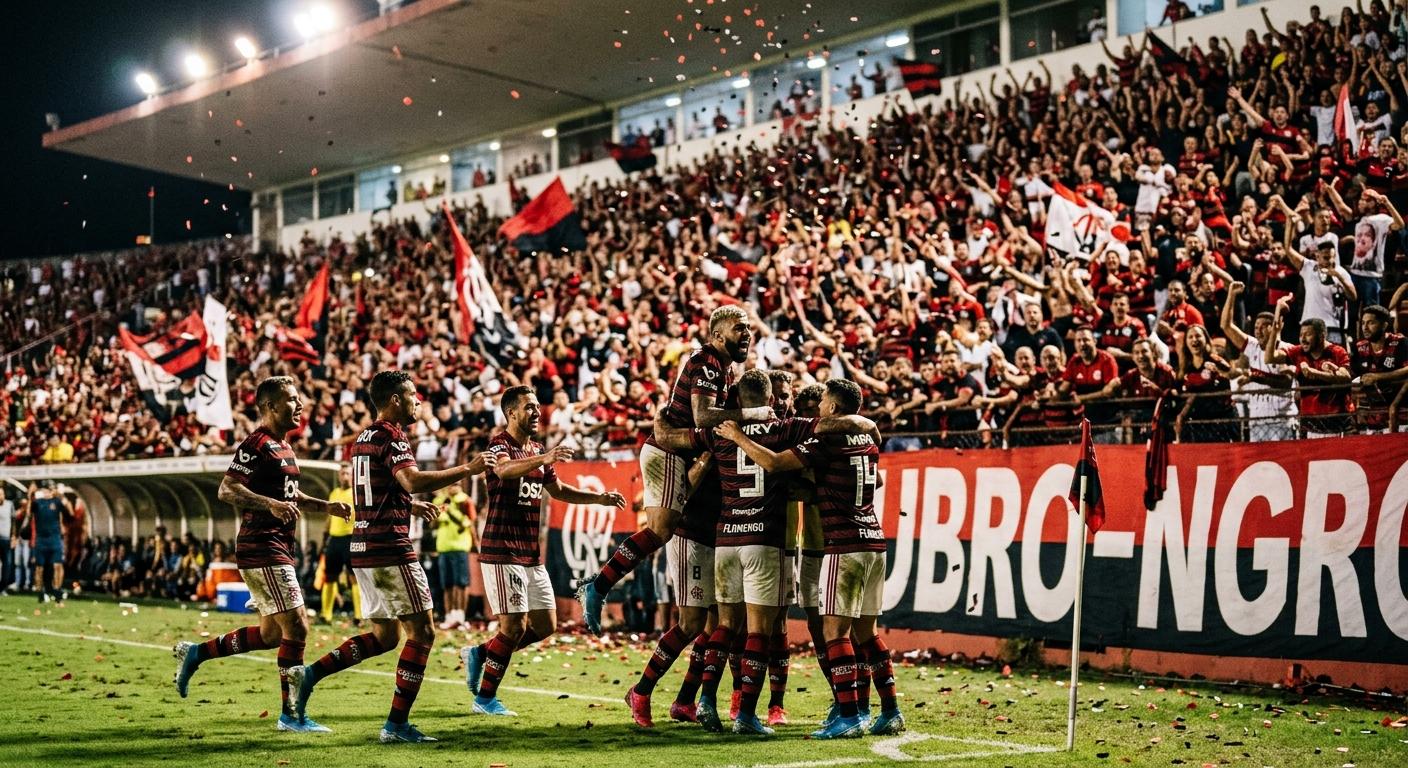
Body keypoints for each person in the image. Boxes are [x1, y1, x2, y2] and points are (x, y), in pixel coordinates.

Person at [290, 370, 495, 744]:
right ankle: (396, 725)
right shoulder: (392, 435)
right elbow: (410, 479)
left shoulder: (362, 438)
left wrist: (409, 506)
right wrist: (468, 468)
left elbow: (380, 488)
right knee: (423, 633)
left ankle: (310, 674)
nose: (418, 401)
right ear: (395, 400)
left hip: (363, 546)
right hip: (390, 548)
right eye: (413, 395)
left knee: (386, 637)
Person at [717, 379, 903, 739]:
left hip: (842, 545)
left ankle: (849, 714)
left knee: (834, 632)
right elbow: (874, 478)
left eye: (823, 404)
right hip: (874, 541)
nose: (818, 410)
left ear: (833, 408)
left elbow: (772, 462)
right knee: (868, 633)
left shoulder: (825, 439)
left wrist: (737, 436)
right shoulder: (867, 440)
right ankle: (889, 710)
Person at [171, 376, 353, 733]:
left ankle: (195, 653)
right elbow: (227, 490)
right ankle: (291, 714)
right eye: (291, 399)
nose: (300, 405)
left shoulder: (285, 447)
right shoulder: (257, 443)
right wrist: (268, 504)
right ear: (269, 406)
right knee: (298, 626)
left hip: (278, 545)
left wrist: (325, 505)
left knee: (272, 635)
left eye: (300, 398)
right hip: (262, 545)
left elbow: (289, 495)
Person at [579, 306, 772, 635]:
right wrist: (753, 415)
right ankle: (598, 586)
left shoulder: (720, 368)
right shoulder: (709, 363)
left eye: (749, 327)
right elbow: (702, 416)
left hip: (677, 452)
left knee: (663, 530)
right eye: (739, 327)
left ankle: (598, 586)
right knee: (660, 529)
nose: (747, 333)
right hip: (667, 452)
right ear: (716, 335)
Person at [461, 385, 626, 717]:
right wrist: (545, 458)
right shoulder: (499, 444)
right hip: (501, 549)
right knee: (513, 627)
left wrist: (600, 498)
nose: (537, 413)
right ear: (511, 413)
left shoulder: (536, 448)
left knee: (546, 625)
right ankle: (485, 699)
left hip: (529, 552)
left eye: (537, 407)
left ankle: (480, 653)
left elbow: (559, 490)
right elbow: (504, 470)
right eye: (529, 407)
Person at [1220, 282, 1296, 442]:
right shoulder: (1252, 346)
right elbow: (1226, 326)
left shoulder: (1288, 349)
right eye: (1256, 327)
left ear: (1276, 327)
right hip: (1257, 421)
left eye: (1264, 326)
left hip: (1281, 420)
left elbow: (1286, 383)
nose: (1258, 330)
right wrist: (1231, 295)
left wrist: (1256, 378)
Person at [1267, 314, 1353, 438]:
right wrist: (1274, 332)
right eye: (1301, 335)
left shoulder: (1337, 352)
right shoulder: (1298, 352)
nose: (1303, 339)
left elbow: (1346, 378)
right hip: (1310, 425)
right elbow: (1270, 358)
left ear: (1322, 336)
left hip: (1337, 424)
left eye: (1308, 334)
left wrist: (1314, 373)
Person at [1352, 305, 1408, 433]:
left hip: (1403, 417)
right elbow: (1354, 377)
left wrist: (1378, 377)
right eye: (1363, 323)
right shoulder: (1359, 348)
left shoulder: (1400, 342)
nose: (1365, 327)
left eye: (1371, 323)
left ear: (1384, 325)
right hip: (1374, 420)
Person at [319, 465, 359, 625]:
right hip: (334, 540)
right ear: (339, 475)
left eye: (348, 473)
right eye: (342, 473)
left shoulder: (357, 493)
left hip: (351, 538)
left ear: (352, 475)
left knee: (354, 577)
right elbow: (329, 517)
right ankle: (325, 615)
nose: (345, 476)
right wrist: (325, 536)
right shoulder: (334, 493)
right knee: (329, 577)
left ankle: (359, 616)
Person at [433, 480, 475, 629]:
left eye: (456, 484)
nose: (452, 487)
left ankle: (461, 616)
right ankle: (449, 616)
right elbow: (433, 523)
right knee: (447, 585)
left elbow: (466, 523)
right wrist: (440, 508)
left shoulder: (465, 501)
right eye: (451, 484)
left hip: (460, 547)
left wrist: (449, 509)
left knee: (461, 584)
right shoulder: (439, 501)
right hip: (443, 547)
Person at [26, 480, 72, 602]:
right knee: (39, 567)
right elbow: (28, 512)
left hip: (55, 539)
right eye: (45, 489)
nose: (47, 491)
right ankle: (41, 592)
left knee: (57, 565)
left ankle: (57, 591)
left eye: (49, 489)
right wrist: (30, 496)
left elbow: (69, 513)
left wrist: (61, 496)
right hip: (41, 540)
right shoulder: (38, 503)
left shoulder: (57, 502)